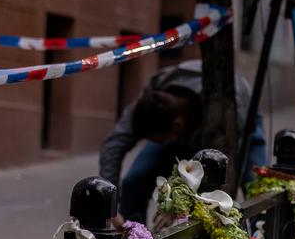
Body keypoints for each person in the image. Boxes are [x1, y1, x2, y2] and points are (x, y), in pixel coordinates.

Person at [100, 60, 263, 225]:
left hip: (238, 123)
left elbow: (215, 175)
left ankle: (261, 237)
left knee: (257, 188)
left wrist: (176, 208)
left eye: (158, 140)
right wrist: (110, 205)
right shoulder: (155, 92)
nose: (157, 143)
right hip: (186, 129)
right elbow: (114, 145)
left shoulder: (225, 108)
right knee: (134, 182)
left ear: (176, 125)